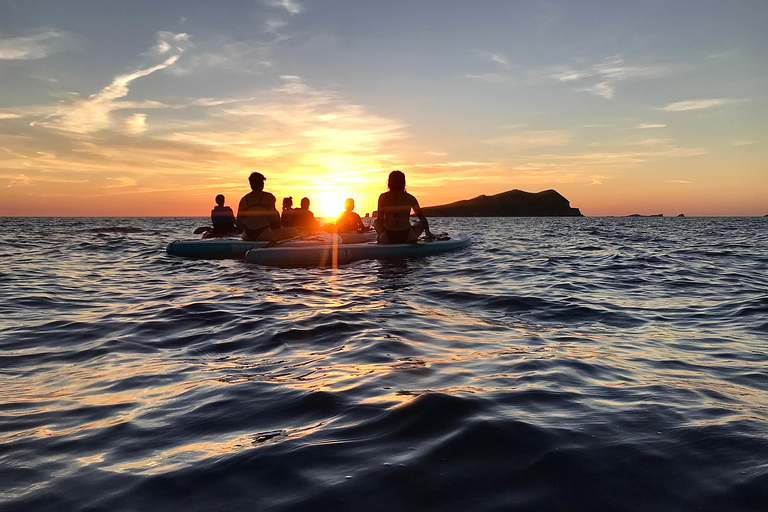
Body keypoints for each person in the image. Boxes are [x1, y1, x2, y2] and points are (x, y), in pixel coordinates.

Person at [374, 170, 434, 244]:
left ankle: (381, 238)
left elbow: (379, 220)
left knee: (375, 222)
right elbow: (423, 219)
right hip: (407, 237)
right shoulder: (411, 198)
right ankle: (428, 235)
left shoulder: (382, 197)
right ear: (403, 183)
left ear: (389, 182)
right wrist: (427, 232)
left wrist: (389, 219)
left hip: (388, 238)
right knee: (420, 223)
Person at [236, 172, 281, 241]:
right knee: (293, 231)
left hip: (247, 235)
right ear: (262, 184)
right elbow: (274, 218)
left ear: (250, 184)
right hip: (264, 233)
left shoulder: (244, 200)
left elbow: (239, 223)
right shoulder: (269, 197)